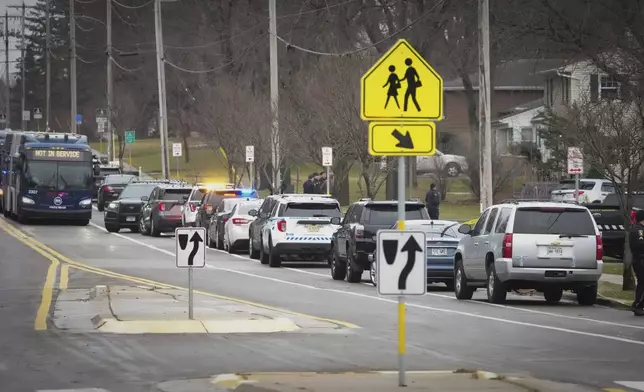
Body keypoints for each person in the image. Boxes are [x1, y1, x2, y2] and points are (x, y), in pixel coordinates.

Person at [629, 209, 644, 316]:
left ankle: (638, 304)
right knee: (643, 283)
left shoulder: (637, 229)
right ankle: (638, 305)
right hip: (641, 259)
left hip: (638, 259)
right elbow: (640, 245)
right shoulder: (639, 230)